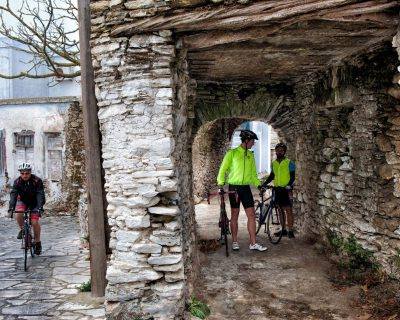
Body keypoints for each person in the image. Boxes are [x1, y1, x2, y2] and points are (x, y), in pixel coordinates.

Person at [217, 129, 267, 252]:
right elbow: (222, 170)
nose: (253, 143)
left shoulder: (250, 155)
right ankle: (234, 241)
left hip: (246, 188)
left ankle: (253, 243)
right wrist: (220, 184)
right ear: (246, 140)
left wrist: (259, 185)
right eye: (252, 141)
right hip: (234, 187)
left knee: (251, 215)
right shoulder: (232, 153)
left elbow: (253, 175)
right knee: (235, 215)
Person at [8, 163, 45, 255]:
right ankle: (23, 230)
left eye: (27, 173)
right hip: (23, 201)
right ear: (20, 173)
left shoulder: (37, 180)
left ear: (30, 173)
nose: (24, 175)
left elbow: (40, 194)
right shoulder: (17, 182)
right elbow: (13, 195)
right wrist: (11, 208)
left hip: (35, 202)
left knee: (34, 222)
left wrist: (40, 207)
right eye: (22, 173)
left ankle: (37, 242)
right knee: (18, 213)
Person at [261, 142, 296, 238]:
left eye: (281, 150)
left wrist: (289, 185)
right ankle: (283, 229)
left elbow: (292, 177)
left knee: (288, 210)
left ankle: (290, 230)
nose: (279, 152)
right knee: (280, 210)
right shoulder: (274, 163)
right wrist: (264, 183)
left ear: (284, 152)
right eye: (277, 150)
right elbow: (272, 176)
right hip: (277, 189)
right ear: (275, 151)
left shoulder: (289, 163)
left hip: (286, 189)